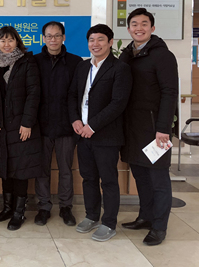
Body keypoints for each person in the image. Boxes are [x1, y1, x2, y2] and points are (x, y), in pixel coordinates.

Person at [120, 8, 178, 246]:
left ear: (152, 28)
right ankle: (145, 216)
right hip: (132, 127)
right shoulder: (127, 55)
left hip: (155, 128)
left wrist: (163, 128)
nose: (139, 28)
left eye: (144, 24)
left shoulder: (162, 55)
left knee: (158, 179)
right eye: (134, 24)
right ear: (129, 29)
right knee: (140, 176)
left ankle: (159, 226)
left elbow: (170, 93)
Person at [68, 24, 132, 242]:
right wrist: (75, 120)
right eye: (91, 40)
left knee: (109, 180)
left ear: (110, 42)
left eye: (100, 39)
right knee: (88, 178)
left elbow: (118, 103)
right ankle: (92, 216)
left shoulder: (120, 68)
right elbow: (72, 96)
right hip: (82, 134)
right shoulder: (82, 66)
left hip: (106, 136)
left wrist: (92, 125)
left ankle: (109, 223)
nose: (95, 44)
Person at [0, 26, 41, 231]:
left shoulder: (27, 62)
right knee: (5, 168)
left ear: (17, 42)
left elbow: (34, 94)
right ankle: (7, 208)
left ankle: (19, 212)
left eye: (10, 40)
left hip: (20, 126)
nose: (6, 44)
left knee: (21, 170)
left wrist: (27, 122)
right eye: (2, 40)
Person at [34, 21, 83, 227]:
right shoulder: (34, 61)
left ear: (64, 38)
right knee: (42, 170)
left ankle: (65, 207)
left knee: (65, 169)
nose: (52, 39)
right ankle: (44, 207)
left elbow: (78, 95)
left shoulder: (75, 62)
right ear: (43, 38)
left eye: (57, 36)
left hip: (66, 126)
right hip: (40, 126)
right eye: (49, 36)